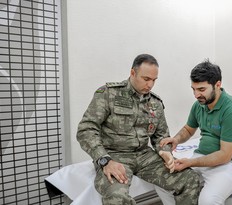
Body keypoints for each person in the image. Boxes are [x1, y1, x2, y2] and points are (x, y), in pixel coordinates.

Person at [76, 54, 200, 205]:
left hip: (144, 155)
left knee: (190, 180)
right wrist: (104, 160)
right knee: (116, 196)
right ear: (132, 73)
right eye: (146, 79)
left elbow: (161, 135)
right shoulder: (109, 94)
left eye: (154, 80)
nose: (150, 85)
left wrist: (165, 152)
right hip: (114, 155)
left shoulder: (155, 102)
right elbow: (86, 129)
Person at [160, 59, 232, 205]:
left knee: (208, 201)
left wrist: (189, 162)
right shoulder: (199, 105)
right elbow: (188, 130)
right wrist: (176, 139)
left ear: (218, 85)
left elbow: (225, 155)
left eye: (201, 89)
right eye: (193, 89)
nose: (196, 95)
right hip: (202, 158)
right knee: (163, 182)